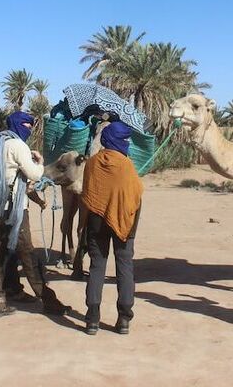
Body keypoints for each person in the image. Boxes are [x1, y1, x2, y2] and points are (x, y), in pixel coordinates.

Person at [0, 111, 71, 319]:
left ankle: (0, 297)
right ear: (17, 124)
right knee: (29, 254)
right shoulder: (17, 145)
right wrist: (40, 161)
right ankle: (49, 301)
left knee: (0, 252)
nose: (29, 129)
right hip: (16, 208)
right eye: (26, 124)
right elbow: (34, 174)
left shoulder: (0, 142)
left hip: (0, 205)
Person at [80, 121, 143, 335]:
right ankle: (124, 319)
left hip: (96, 221)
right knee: (125, 266)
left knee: (97, 266)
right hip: (125, 222)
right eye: (125, 140)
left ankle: (92, 319)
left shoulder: (92, 163)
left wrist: (82, 227)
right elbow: (136, 196)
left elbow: (88, 196)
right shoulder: (127, 165)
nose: (126, 143)